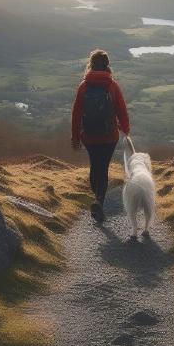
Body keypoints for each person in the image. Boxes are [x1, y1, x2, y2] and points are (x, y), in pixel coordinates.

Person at [71, 49, 130, 222]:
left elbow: (76, 114)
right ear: (107, 65)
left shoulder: (83, 86)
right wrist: (125, 129)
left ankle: (96, 196)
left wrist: (75, 138)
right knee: (103, 167)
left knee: (94, 165)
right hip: (109, 136)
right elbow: (121, 109)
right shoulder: (112, 85)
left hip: (89, 136)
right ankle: (99, 200)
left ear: (91, 64)